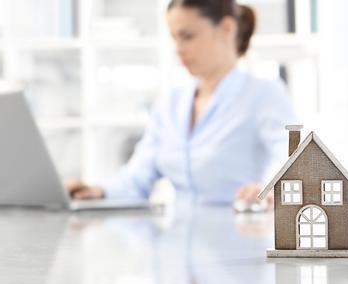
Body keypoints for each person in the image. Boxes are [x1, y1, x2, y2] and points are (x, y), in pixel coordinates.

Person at [66, 0, 296, 209]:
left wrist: (269, 190)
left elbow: (292, 161)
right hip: (179, 240)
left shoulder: (263, 95)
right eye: (174, 38)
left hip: (240, 238)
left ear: (226, 28)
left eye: (187, 36)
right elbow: (138, 178)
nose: (178, 48)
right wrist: (97, 191)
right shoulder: (171, 104)